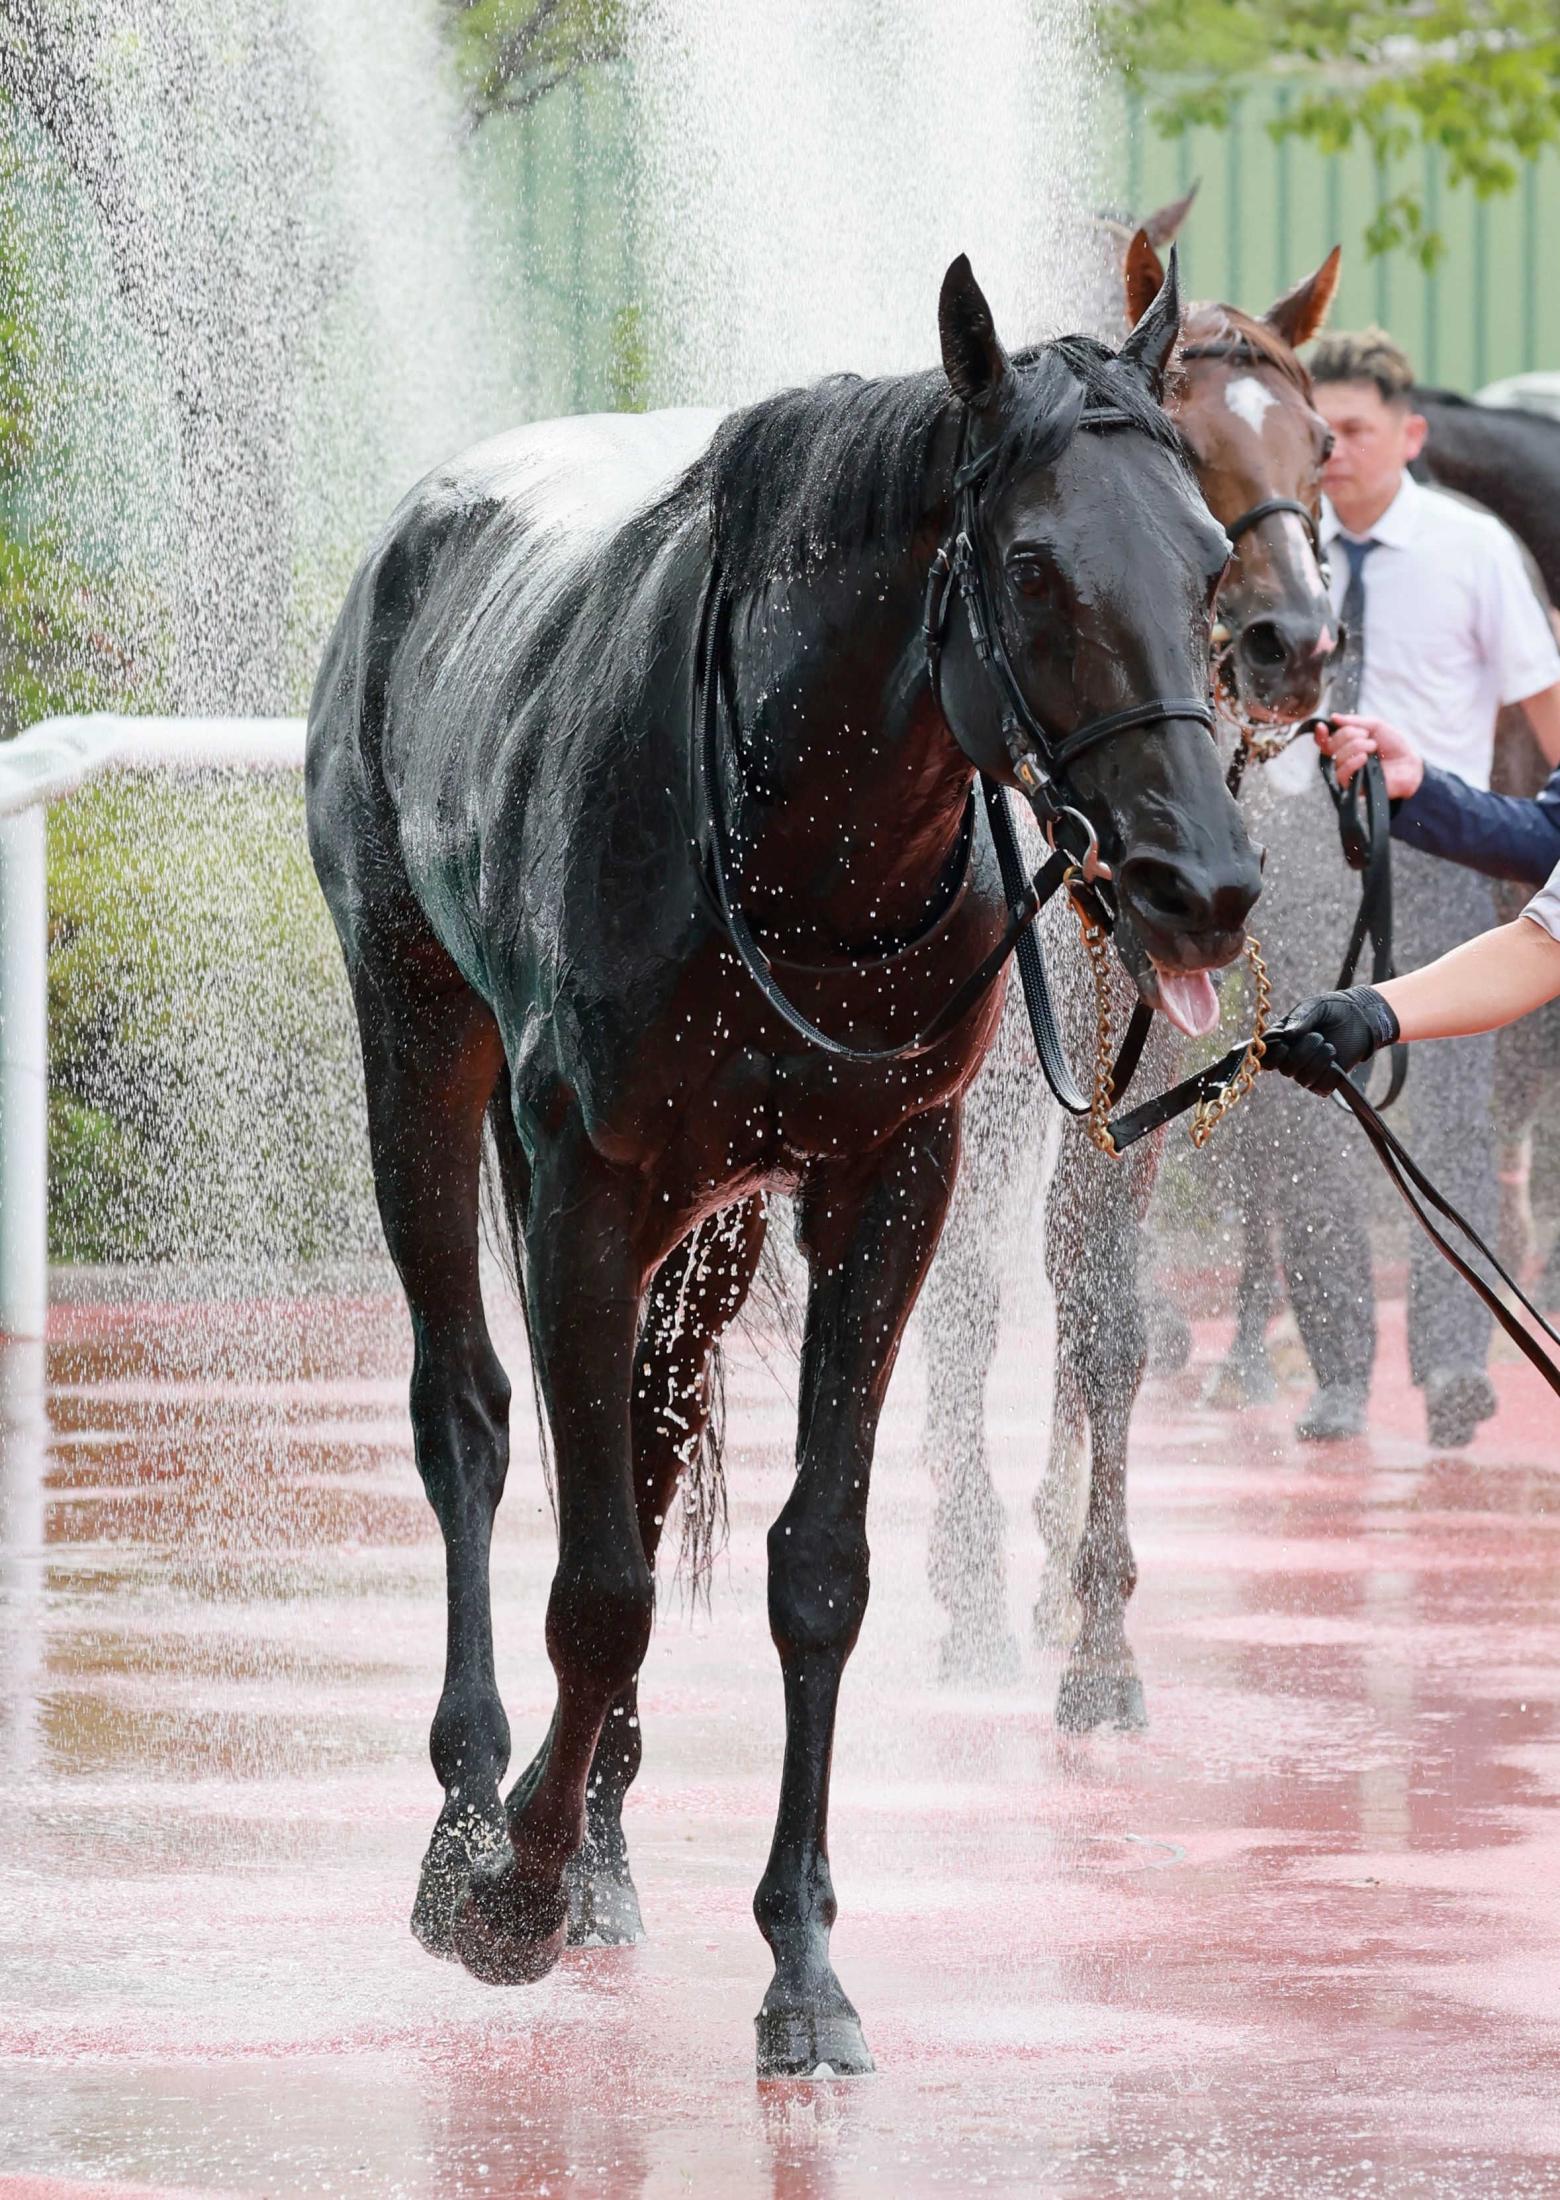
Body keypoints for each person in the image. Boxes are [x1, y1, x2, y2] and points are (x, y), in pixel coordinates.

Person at [1281, 329, 1560, 1447]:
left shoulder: (1474, 550)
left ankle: (1453, 1361)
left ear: (1412, 435)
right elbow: (1551, 846)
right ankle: (1339, 1371)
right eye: (1321, 433)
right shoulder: (1269, 547)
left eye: (1353, 430)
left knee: (1451, 1123)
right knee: (1311, 1134)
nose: (1335, 451)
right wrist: (1422, 786)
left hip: (1441, 884)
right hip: (1305, 858)